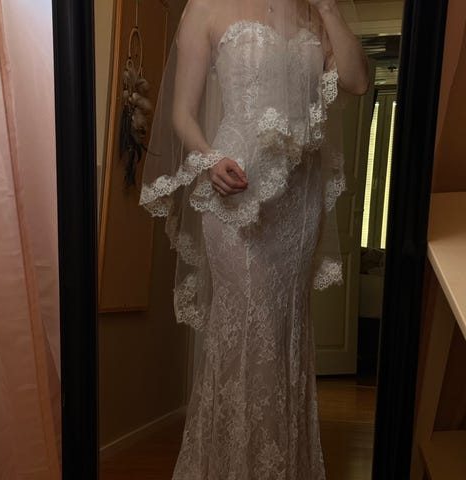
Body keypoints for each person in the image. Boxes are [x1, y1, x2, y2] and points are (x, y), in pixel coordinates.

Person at [140, 0, 368, 477]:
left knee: (285, 333)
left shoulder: (313, 12)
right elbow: (182, 113)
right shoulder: (205, 7)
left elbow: (356, 81)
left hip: (299, 203)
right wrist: (208, 159)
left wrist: (328, 7)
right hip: (236, 190)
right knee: (245, 329)